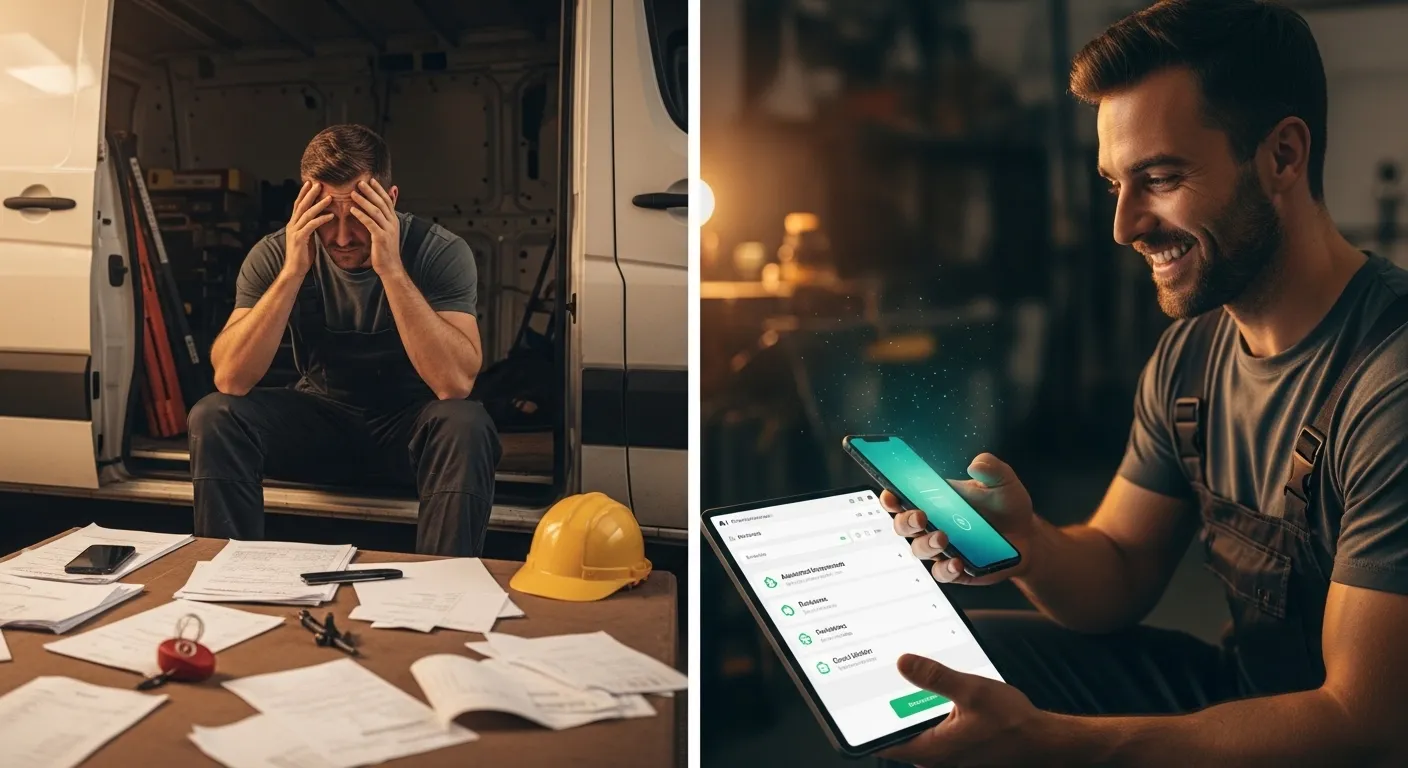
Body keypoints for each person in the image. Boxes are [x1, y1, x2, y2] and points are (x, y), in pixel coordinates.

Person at [877, 1, 1408, 765]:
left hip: (1347, 739)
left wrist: (1056, 743)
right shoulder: (1190, 356)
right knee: (940, 669)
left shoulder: (1389, 382)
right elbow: (1118, 572)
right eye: (1114, 184)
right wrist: (1023, 539)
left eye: (1160, 178)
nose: (1126, 225)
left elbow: (1364, 726)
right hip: (1248, 691)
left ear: (1283, 157)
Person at [189, 124, 502, 557]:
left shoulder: (438, 252)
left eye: (356, 216)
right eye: (325, 216)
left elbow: (455, 384)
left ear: (388, 200)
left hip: (408, 433)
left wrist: (391, 268)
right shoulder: (276, 253)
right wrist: (292, 272)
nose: (340, 237)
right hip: (322, 422)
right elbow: (231, 378)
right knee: (215, 416)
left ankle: (442, 587)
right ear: (303, 203)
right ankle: (230, 579)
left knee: (467, 424)